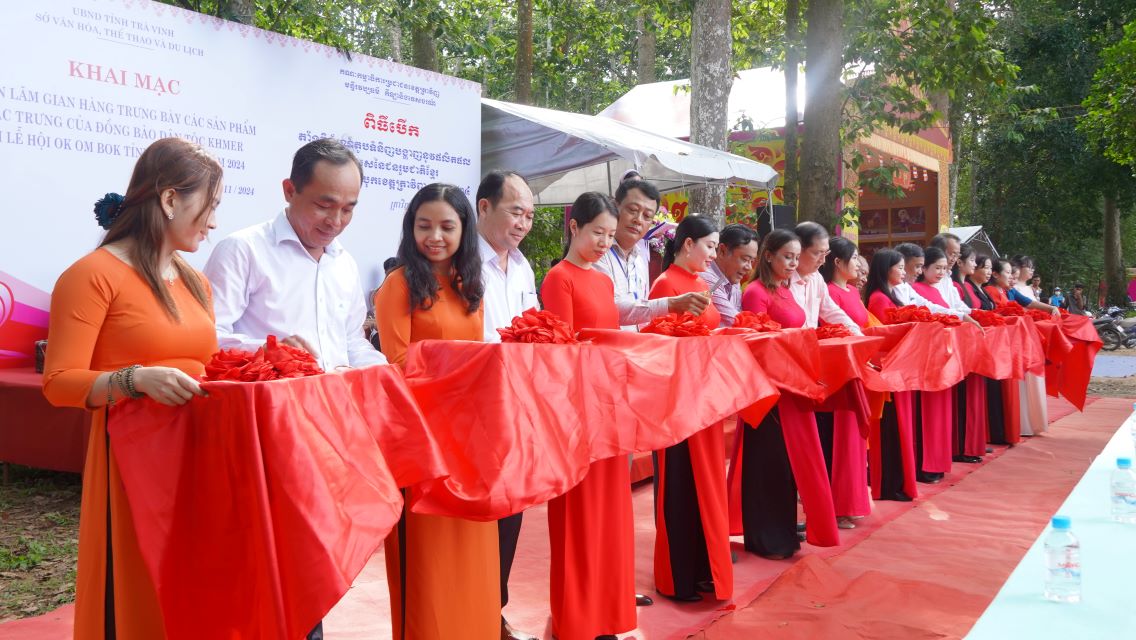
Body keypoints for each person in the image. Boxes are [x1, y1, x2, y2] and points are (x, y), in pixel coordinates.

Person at [43, 138, 223, 639]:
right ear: (169, 200)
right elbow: (58, 383)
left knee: (190, 585)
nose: (213, 222)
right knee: (134, 587)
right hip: (130, 461)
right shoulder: (92, 275)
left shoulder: (195, 281)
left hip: (194, 456)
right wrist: (134, 379)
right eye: (210, 206)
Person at [373, 183, 499, 640]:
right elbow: (398, 366)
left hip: (468, 438)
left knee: (472, 549)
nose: (436, 236)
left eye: (447, 226)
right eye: (424, 226)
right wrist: (462, 376)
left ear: (464, 229)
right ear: (411, 229)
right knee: (426, 560)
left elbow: (479, 351)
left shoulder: (471, 286)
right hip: (421, 440)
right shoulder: (400, 283)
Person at [204, 138, 386, 373]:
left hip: (335, 402)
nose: (336, 221)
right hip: (269, 403)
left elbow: (352, 342)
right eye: (324, 205)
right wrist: (270, 350)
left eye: (348, 209)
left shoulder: (344, 264)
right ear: (289, 191)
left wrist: (382, 372)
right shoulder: (243, 251)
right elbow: (208, 338)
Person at [540, 192, 635, 640]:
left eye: (611, 235)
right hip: (578, 410)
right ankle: (576, 621)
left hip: (609, 405)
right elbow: (562, 353)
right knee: (579, 520)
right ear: (573, 227)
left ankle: (606, 616)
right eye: (597, 232)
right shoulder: (559, 279)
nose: (604, 242)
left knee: (612, 519)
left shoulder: (602, 280)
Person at [730, 229, 840, 558]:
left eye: (795, 257)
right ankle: (765, 536)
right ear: (768, 256)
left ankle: (782, 531)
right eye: (786, 257)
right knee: (767, 461)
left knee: (785, 464)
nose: (793, 263)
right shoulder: (755, 292)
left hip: (793, 386)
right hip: (767, 389)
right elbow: (757, 344)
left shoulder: (787, 288)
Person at [646, 216, 733, 603]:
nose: (713, 254)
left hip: (705, 398)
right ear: (686, 245)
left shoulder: (702, 284)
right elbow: (659, 344)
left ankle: (702, 569)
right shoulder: (667, 284)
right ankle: (678, 575)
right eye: (710, 246)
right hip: (677, 402)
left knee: (705, 485)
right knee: (680, 485)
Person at [474, 170, 539, 640]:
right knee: (476, 514)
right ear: (483, 207)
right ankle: (470, 608)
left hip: (515, 403)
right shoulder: (457, 263)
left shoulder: (521, 266)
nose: (523, 223)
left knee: (510, 510)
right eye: (515, 211)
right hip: (473, 406)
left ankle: (493, 609)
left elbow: (529, 326)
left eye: (530, 215)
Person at [593, 179, 707, 330]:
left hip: (636, 349)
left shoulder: (640, 258)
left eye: (647, 216)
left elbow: (641, 316)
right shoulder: (598, 253)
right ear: (615, 207)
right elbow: (609, 308)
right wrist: (670, 304)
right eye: (632, 210)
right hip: (606, 348)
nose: (638, 220)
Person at [817, 236, 872, 529]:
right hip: (838, 374)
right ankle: (838, 504)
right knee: (838, 441)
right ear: (837, 263)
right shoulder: (828, 291)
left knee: (853, 440)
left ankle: (851, 501)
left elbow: (859, 324)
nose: (858, 264)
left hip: (857, 368)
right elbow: (833, 330)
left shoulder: (851, 291)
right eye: (853, 258)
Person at [861, 249, 918, 502]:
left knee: (897, 428)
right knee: (888, 430)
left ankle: (895, 482)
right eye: (900, 267)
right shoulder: (879, 299)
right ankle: (887, 484)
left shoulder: (890, 295)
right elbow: (883, 337)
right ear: (886, 269)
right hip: (886, 369)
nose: (904, 272)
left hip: (897, 368)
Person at [789, 222, 862, 334]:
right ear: (798, 249)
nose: (823, 260)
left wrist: (856, 333)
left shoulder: (816, 278)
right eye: (818, 253)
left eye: (825, 253)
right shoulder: (782, 280)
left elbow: (831, 311)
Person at [699, 223, 759, 327]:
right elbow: (736, 321)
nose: (749, 267)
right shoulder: (706, 277)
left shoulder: (733, 277)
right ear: (722, 251)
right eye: (745, 259)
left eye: (752, 261)